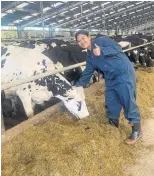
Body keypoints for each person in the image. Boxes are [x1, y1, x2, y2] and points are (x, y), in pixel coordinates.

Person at [74, 30, 142, 145]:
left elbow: (117, 48)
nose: (82, 41)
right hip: (110, 78)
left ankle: (137, 129)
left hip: (123, 73)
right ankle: (113, 126)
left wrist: (102, 51)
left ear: (89, 37)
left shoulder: (102, 41)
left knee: (127, 100)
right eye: (79, 41)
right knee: (110, 102)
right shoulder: (89, 57)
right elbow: (87, 72)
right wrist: (77, 84)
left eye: (83, 38)